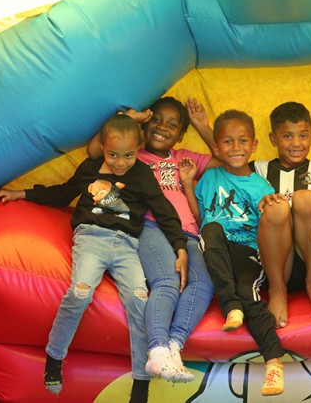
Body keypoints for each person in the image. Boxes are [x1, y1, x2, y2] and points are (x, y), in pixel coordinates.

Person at [0, 114, 187, 403]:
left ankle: (140, 383)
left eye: (128, 155)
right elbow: (62, 193)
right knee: (80, 292)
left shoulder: (142, 175)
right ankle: (55, 355)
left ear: (138, 149)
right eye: (113, 155)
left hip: (127, 245)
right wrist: (21, 193)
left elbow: (164, 210)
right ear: (102, 148)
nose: (120, 163)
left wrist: (180, 247)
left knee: (140, 301)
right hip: (92, 237)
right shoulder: (90, 168)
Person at [87, 97, 218, 384]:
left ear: (180, 135)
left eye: (172, 124)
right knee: (168, 280)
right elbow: (94, 150)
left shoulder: (183, 157)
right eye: (156, 119)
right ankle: (157, 349)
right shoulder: (132, 155)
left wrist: (203, 127)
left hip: (188, 232)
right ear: (145, 126)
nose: (162, 127)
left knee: (204, 282)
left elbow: (224, 160)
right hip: (150, 226)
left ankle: (173, 346)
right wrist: (131, 120)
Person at [184, 109, 285, 396]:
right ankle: (231, 307)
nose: (236, 147)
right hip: (216, 247)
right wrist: (188, 183)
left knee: (249, 296)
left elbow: (269, 228)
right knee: (211, 228)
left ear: (254, 145)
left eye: (243, 141)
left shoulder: (260, 186)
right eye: (228, 142)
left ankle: (274, 363)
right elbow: (199, 216)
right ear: (216, 148)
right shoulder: (210, 177)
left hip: (247, 251)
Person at [251, 101, 311, 329]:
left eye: (303, 136)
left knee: (305, 198)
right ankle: (277, 290)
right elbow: (228, 157)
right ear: (273, 139)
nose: (296, 143)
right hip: (277, 263)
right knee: (276, 206)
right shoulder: (258, 169)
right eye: (287, 136)